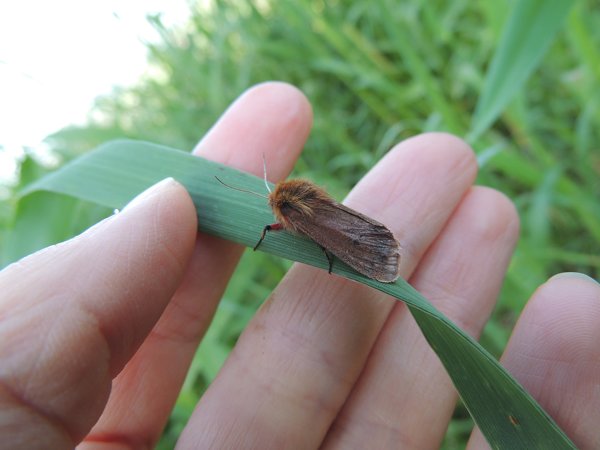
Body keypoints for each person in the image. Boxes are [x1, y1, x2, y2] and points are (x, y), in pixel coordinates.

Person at [1, 82, 598, 449]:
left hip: (352, 242)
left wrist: (299, 234)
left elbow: (317, 227)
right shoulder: (294, 204)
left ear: (283, 207)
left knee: (352, 235)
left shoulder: (294, 213)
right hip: (353, 235)